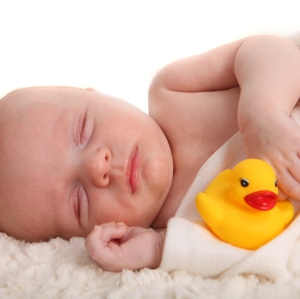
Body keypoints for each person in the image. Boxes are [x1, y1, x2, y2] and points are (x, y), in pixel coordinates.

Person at [0, 35, 300, 275]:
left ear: (93, 94)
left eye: (83, 130)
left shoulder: (174, 92)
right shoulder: (173, 232)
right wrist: (159, 248)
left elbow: (270, 50)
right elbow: (236, 259)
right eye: (78, 200)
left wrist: (262, 114)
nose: (98, 166)